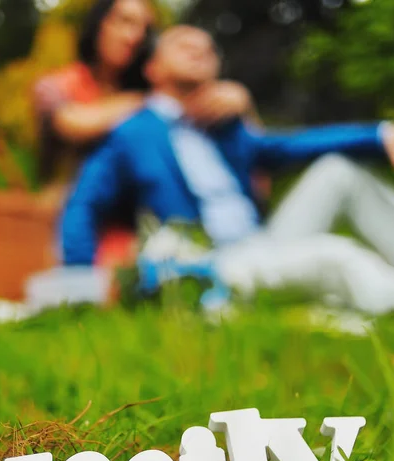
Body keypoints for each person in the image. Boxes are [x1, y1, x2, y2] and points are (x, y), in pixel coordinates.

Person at [59, 26, 394, 315]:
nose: (200, 50)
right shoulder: (133, 132)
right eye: (184, 44)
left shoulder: (227, 126)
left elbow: (289, 146)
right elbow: (83, 202)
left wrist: (378, 133)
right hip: (212, 263)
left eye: (209, 48)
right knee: (335, 256)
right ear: (153, 68)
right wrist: (78, 284)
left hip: (264, 243)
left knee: (338, 172)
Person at [33, 0, 259, 267]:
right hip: (71, 217)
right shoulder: (59, 85)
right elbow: (74, 123)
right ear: (98, 23)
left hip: (143, 218)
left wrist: (242, 101)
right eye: (124, 21)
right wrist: (153, 100)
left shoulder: (155, 93)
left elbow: (245, 143)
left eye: (144, 27)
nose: (135, 35)